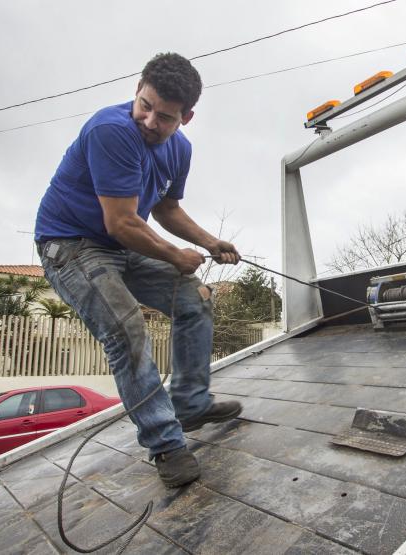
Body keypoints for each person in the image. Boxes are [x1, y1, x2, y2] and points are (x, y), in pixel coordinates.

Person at [34, 52, 241, 488]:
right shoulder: (110, 131)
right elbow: (123, 223)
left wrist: (208, 242)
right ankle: (165, 443)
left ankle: (190, 404)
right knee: (126, 330)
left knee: (196, 299)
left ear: (186, 117)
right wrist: (176, 256)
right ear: (137, 89)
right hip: (71, 246)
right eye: (144, 106)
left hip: (121, 245)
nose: (149, 121)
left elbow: (166, 209)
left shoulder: (179, 149)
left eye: (164, 117)